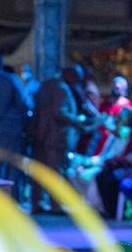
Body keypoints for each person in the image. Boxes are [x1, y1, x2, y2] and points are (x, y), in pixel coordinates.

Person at [28, 65, 91, 213]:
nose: (76, 82)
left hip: (40, 135)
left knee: (39, 172)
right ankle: (55, 205)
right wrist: (77, 121)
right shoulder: (61, 88)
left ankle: (36, 202)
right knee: (54, 172)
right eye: (76, 78)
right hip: (55, 137)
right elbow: (59, 112)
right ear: (69, 75)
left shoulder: (46, 84)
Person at [0, 53, 30, 186]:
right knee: (12, 165)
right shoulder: (10, 80)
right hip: (9, 128)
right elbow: (23, 104)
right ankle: (10, 199)